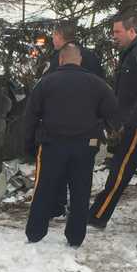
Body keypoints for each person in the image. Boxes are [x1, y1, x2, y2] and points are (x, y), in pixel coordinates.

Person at [24, 44, 119, 247]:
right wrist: (107, 132)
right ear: (80, 60)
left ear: (60, 60)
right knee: (80, 190)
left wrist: (29, 143)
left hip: (51, 144)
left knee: (43, 188)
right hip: (85, 146)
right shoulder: (98, 84)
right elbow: (113, 113)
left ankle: (35, 233)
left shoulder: (46, 83)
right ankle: (75, 236)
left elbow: (30, 115)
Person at [89, 13, 137, 229]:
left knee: (120, 170)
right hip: (131, 122)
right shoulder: (128, 55)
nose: (114, 36)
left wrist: (130, 122)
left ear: (131, 31)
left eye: (118, 32)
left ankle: (97, 215)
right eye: (113, 32)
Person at [42, 22, 104, 219]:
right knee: (82, 173)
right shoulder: (92, 57)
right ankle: (78, 210)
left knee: (58, 168)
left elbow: (46, 90)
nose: (52, 39)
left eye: (54, 35)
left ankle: (57, 205)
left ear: (61, 36)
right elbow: (103, 90)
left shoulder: (58, 59)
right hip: (89, 127)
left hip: (61, 126)